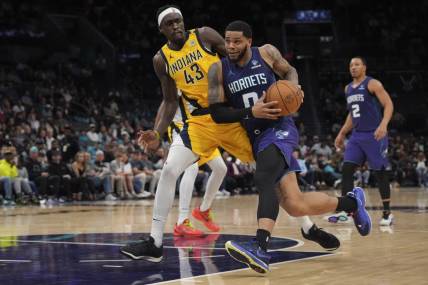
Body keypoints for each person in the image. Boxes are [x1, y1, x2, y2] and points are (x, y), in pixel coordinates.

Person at [121, 6, 341, 263]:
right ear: (161, 30)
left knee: (275, 178)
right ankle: (155, 242)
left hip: (233, 115)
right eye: (169, 24)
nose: (176, 26)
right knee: (169, 170)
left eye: (178, 21)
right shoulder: (162, 59)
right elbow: (170, 101)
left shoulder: (204, 36)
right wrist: (157, 132)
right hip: (200, 122)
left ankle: (308, 227)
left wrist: (269, 89)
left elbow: (239, 60)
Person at [207, 20, 371, 273]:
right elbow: (217, 113)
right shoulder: (218, 69)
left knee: (263, 178)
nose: (230, 45)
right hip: (256, 137)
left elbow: (290, 71)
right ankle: (351, 204)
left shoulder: (267, 53)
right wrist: (252, 111)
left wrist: (294, 87)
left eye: (237, 41)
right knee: (295, 204)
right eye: (227, 40)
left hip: (280, 129)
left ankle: (260, 247)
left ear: (249, 41)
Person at [327, 57, 394, 226]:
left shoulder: (373, 84)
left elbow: (388, 104)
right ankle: (347, 211)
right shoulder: (348, 88)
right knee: (347, 169)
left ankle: (387, 213)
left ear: (364, 67)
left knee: (379, 173)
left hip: (374, 134)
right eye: (350, 65)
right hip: (357, 136)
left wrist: (384, 125)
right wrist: (342, 133)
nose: (353, 67)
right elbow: (352, 114)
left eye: (357, 64)